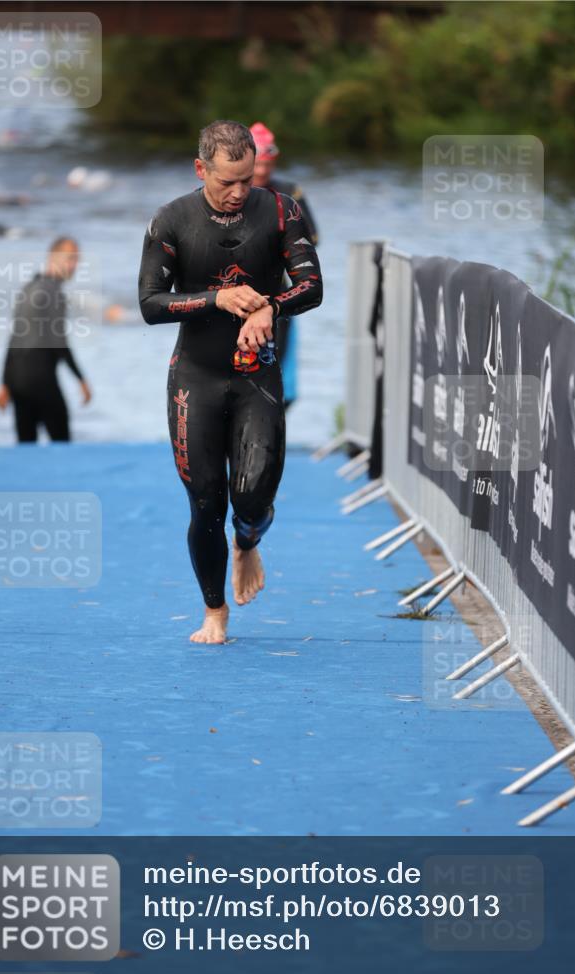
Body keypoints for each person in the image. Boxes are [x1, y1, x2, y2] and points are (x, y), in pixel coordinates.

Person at [138, 120, 322, 644]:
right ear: (201, 170)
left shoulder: (281, 209)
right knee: (205, 502)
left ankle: (248, 540)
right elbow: (150, 304)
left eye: (247, 179)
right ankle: (214, 611)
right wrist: (216, 299)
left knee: (253, 499)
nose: (240, 191)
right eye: (227, 182)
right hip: (194, 376)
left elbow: (312, 286)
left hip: (256, 376)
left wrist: (270, 307)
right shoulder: (170, 220)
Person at [0, 237, 92, 442]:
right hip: (41, 379)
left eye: (77, 260)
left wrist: (5, 383)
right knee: (62, 445)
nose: (74, 265)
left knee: (26, 449)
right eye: (70, 258)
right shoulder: (53, 293)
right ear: (53, 258)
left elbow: (14, 339)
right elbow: (59, 342)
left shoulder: (28, 289)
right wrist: (80, 379)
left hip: (18, 382)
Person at [250, 122, 319, 409]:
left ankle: (272, 423)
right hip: (236, 291)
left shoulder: (289, 192)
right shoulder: (233, 193)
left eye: (268, 164)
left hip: (278, 294)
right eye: (258, 164)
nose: (263, 171)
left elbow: (313, 237)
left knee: (278, 372)